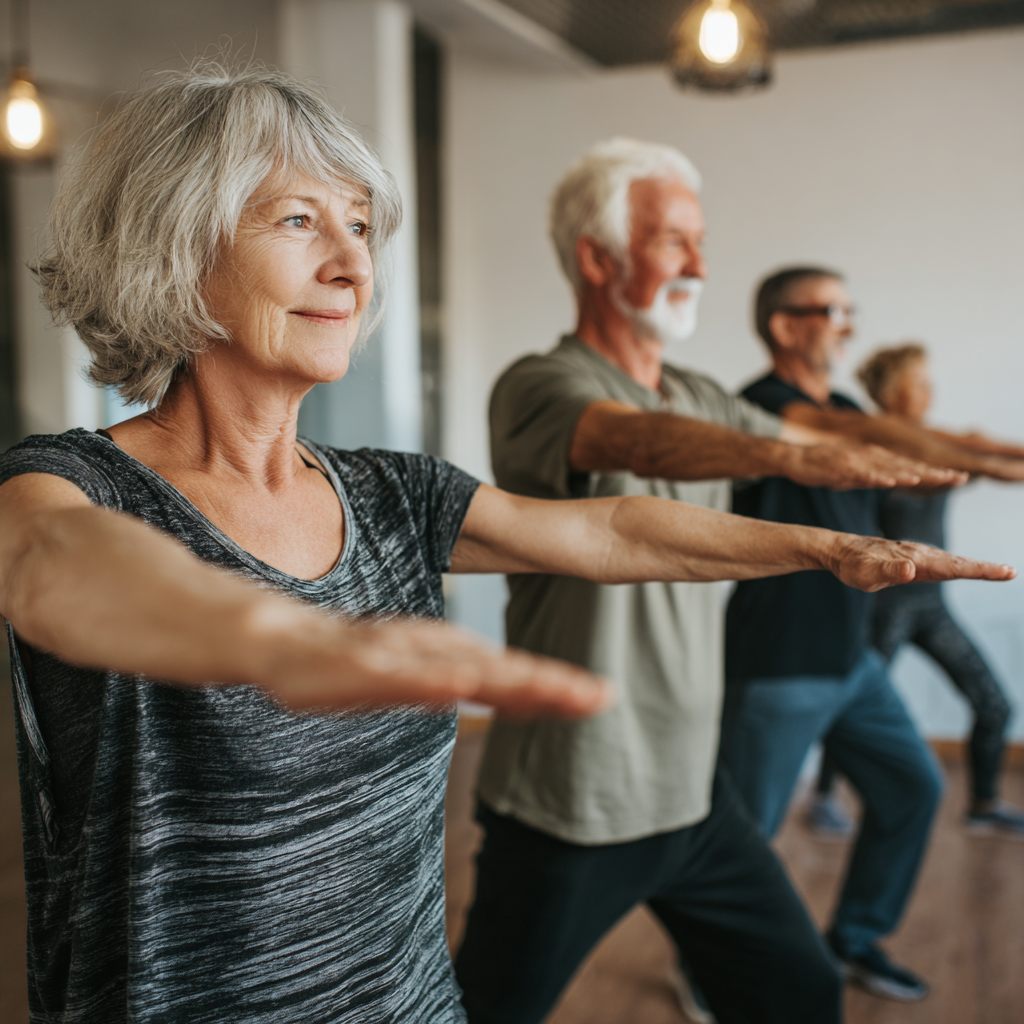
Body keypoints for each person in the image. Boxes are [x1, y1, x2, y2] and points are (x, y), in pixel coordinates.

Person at [2, 75, 1004, 1024]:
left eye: (359, 225)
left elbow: (607, 525)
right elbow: (56, 562)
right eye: (298, 219)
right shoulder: (71, 482)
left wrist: (820, 546)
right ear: (177, 241)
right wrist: (273, 637)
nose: (353, 263)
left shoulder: (391, 492)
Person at [450, 139, 1002, 1024]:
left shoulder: (700, 390)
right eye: (675, 242)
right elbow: (632, 440)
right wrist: (803, 467)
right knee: (489, 1011)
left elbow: (813, 421)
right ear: (599, 258)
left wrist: (979, 453)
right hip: (573, 801)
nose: (701, 266)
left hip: (691, 793)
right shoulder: (539, 383)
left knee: (798, 991)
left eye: (700, 242)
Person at [720, 267, 1024, 1004]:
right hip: (781, 662)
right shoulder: (763, 406)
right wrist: (979, 453)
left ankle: (854, 937)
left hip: (853, 659)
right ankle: (711, 967)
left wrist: (988, 456)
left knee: (913, 789)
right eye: (831, 310)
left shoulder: (848, 401)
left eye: (849, 310)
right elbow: (871, 435)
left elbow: (907, 449)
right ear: (787, 325)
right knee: (743, 838)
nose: (848, 324)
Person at [809, 344, 1024, 838]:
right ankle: (822, 797)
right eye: (920, 382)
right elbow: (974, 460)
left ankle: (983, 804)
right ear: (891, 393)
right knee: (849, 707)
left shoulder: (936, 443)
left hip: (930, 607)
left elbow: (982, 452)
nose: (931, 391)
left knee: (994, 704)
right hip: (884, 607)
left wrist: (986, 456)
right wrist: (978, 459)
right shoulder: (873, 454)